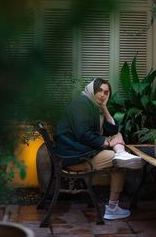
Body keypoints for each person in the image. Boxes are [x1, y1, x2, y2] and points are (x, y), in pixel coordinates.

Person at [54, 78, 142, 220]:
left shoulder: (93, 105)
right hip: (74, 157)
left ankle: (121, 153)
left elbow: (112, 129)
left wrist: (104, 108)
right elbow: (83, 134)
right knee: (119, 163)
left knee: (117, 139)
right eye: (99, 91)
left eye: (106, 92)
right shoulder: (81, 104)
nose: (102, 95)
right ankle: (113, 208)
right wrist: (107, 143)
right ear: (91, 90)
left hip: (79, 151)